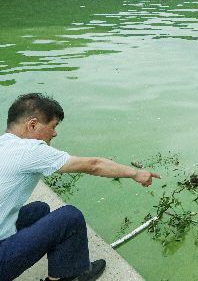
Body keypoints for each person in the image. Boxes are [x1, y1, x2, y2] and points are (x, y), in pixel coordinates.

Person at [0, 93, 160, 281]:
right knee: (70, 217)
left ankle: (65, 263)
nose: (54, 133)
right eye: (53, 126)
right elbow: (94, 165)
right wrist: (135, 173)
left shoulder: (4, 144)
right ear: (32, 125)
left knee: (40, 210)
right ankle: (66, 277)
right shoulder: (29, 150)